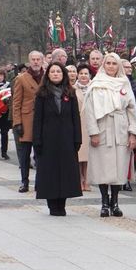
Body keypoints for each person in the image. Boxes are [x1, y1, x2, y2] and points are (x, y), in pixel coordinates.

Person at [84, 53, 136, 217]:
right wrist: (93, 132)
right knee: (102, 167)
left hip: (120, 128)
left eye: (114, 63)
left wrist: (132, 133)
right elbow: (90, 110)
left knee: (119, 167)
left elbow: (132, 110)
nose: (110, 66)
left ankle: (115, 201)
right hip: (102, 128)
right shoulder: (96, 84)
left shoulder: (124, 83)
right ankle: (104, 202)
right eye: (107, 63)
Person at [32, 63, 82, 216]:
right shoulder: (42, 94)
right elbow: (37, 120)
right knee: (50, 172)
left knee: (66, 172)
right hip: (48, 140)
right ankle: (53, 204)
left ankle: (62, 203)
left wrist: (77, 139)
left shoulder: (70, 93)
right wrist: (37, 140)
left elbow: (76, 118)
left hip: (67, 139)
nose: (55, 74)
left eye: (58, 71)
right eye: (52, 71)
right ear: (48, 75)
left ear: (63, 74)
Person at [12, 51, 44, 192]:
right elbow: (16, 102)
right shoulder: (22, 78)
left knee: (40, 154)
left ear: (42, 61)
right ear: (29, 61)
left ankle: (40, 182)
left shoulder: (47, 77)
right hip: (26, 120)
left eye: (38, 59)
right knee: (25, 154)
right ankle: (24, 181)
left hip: (43, 120)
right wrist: (17, 122)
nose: (36, 62)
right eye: (33, 59)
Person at [75, 64, 92, 191]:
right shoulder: (72, 89)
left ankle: (87, 179)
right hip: (78, 124)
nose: (83, 76)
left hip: (91, 124)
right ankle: (80, 178)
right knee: (79, 155)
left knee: (89, 156)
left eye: (86, 73)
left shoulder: (94, 88)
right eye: (81, 73)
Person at [0, 69, 12, 160]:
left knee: (4, 133)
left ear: (4, 76)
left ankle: (4, 152)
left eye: (1, 75)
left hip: (5, 112)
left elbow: (11, 97)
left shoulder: (8, 85)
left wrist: (7, 103)